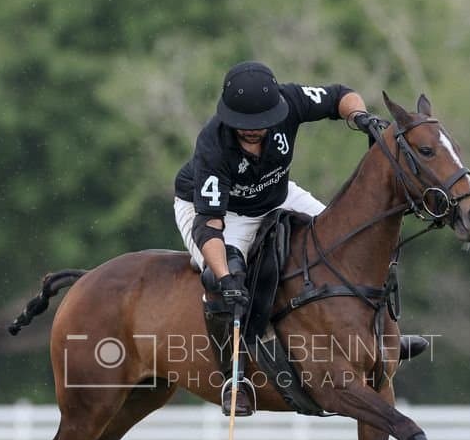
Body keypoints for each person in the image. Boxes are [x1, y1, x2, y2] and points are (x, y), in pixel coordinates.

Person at [173, 61, 421, 417]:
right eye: (245, 126)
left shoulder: (289, 100)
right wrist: (228, 279)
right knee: (220, 280)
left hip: (276, 194)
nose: (253, 131)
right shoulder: (213, 144)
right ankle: (234, 378)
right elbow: (208, 227)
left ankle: (383, 339)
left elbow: (340, 96)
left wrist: (361, 118)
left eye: (260, 124)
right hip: (222, 211)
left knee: (354, 242)